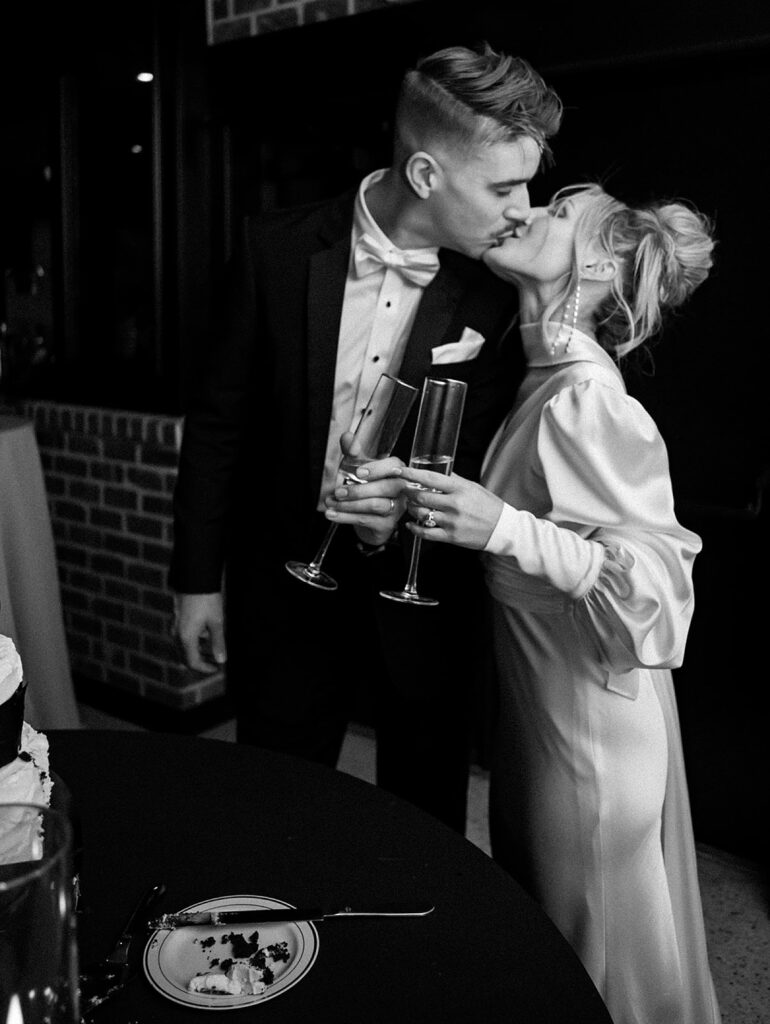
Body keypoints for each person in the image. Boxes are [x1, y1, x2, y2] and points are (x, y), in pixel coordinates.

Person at [336, 183, 720, 1023]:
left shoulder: (589, 396)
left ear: (593, 267)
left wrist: (501, 525)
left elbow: (654, 589)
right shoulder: (538, 373)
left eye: (551, 214)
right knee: (545, 924)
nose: (525, 213)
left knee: (592, 953)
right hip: (537, 707)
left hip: (591, 730)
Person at [169, 43, 562, 832]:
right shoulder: (273, 249)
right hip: (282, 581)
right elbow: (219, 426)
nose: (525, 206)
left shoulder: (499, 285)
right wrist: (195, 580)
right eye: (504, 186)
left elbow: (485, 453)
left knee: (424, 817)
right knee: (273, 803)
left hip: (422, 600)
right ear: (425, 175)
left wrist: (407, 512)